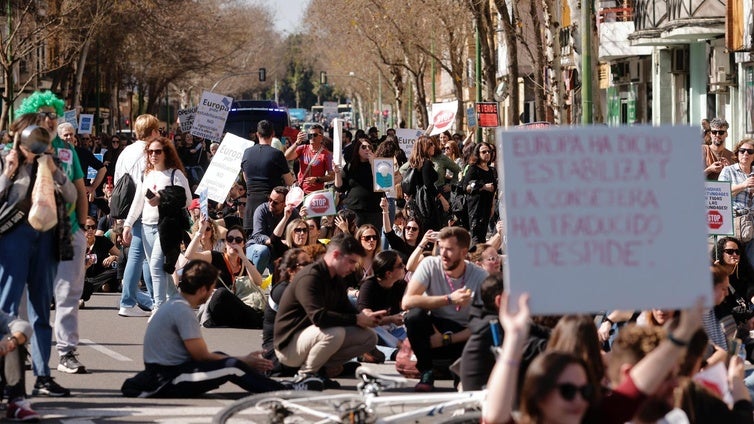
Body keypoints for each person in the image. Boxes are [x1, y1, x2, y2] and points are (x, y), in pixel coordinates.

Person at [121, 260, 322, 397]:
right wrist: (246, 360)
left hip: (168, 372)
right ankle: (283, 390)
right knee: (232, 366)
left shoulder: (175, 303)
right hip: (167, 378)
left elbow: (202, 356)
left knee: (222, 357)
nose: (212, 293)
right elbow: (201, 356)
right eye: (210, 288)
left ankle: (277, 385)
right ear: (201, 289)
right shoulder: (182, 311)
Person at [16, 91, 91, 393]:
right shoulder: (17, 148)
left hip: (65, 229)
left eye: (54, 114)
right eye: (44, 113)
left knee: (68, 294)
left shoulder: (66, 151)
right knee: (22, 296)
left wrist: (84, 227)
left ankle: (65, 352)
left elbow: (78, 190)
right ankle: (19, 346)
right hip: (24, 232)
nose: (50, 118)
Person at [0, 114, 77, 398]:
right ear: (19, 135)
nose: (36, 142)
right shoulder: (4, 158)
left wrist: (54, 170)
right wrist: (9, 172)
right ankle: (7, 377)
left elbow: (70, 195)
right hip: (12, 238)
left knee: (41, 310)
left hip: (46, 238)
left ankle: (43, 376)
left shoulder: (48, 161)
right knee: (6, 311)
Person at [274, 233, 384, 388]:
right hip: (288, 347)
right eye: (351, 261)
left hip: (312, 338)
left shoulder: (336, 277)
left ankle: (322, 370)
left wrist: (367, 317)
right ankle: (305, 376)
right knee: (335, 332)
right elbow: (318, 317)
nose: (353, 268)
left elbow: (346, 309)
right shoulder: (310, 276)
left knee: (369, 337)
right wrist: (356, 319)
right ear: (336, 255)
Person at [401, 226, 487, 392]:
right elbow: (406, 302)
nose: (443, 254)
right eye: (441, 248)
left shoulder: (479, 276)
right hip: (434, 329)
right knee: (413, 316)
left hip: (463, 334)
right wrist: (449, 299)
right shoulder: (430, 264)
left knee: (487, 329)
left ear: (463, 253)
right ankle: (426, 371)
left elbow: (484, 323)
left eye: (449, 250)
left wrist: (447, 339)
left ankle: (462, 379)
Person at [123, 136, 192, 311]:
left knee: (155, 265)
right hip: (146, 226)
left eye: (157, 151)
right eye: (150, 151)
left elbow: (187, 200)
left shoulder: (175, 174)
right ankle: (178, 302)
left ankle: (158, 307)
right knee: (162, 269)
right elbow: (138, 201)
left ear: (166, 153)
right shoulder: (147, 174)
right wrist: (128, 224)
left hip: (166, 228)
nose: (153, 155)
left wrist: (163, 198)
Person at [114, 114, 160, 318]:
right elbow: (150, 183)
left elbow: (117, 180)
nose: (159, 134)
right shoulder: (149, 152)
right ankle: (130, 301)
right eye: (157, 130)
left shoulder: (126, 151)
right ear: (152, 132)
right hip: (145, 208)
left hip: (129, 208)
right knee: (145, 256)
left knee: (144, 256)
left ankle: (146, 300)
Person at [184, 222, 265, 329]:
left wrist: (243, 258)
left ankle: (253, 322)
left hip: (237, 308)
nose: (233, 243)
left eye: (238, 240)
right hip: (218, 304)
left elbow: (259, 282)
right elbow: (189, 255)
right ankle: (256, 322)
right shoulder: (215, 256)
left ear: (243, 244)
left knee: (254, 311)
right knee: (221, 293)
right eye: (230, 239)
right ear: (226, 243)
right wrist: (200, 232)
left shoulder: (246, 263)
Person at [262, 248, 312, 376]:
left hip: (294, 343)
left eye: (311, 263)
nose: (311, 268)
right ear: (291, 271)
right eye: (305, 265)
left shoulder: (300, 287)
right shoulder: (283, 291)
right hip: (277, 352)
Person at [241, 120, 295, 231]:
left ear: (257, 134)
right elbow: (289, 181)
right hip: (271, 209)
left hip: (251, 208)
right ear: (273, 134)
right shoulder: (277, 154)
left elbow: (246, 179)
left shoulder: (247, 152)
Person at [356, 251, 407, 362]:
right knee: (372, 328)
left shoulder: (400, 284)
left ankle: (393, 351)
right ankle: (396, 350)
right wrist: (391, 319)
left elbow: (407, 306)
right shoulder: (369, 286)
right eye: (400, 265)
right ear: (388, 273)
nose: (404, 267)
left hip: (394, 329)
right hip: (375, 331)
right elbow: (366, 318)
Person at [245, 186, 299, 273]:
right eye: (269, 199)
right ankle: (253, 283)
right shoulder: (262, 210)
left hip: (279, 250)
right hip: (257, 247)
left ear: (285, 204)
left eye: (275, 202)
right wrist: (274, 240)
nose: (271, 203)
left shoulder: (293, 213)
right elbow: (257, 236)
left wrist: (304, 218)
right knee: (263, 251)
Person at [334, 137, 382, 230]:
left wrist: (373, 163)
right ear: (357, 150)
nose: (367, 149)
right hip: (355, 209)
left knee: (372, 237)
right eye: (363, 147)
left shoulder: (378, 164)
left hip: (374, 209)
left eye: (369, 147)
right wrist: (337, 173)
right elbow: (340, 187)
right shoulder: (350, 166)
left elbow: (381, 183)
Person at [81, 215, 121, 308]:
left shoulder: (102, 240)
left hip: (102, 275)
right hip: (83, 276)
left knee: (116, 270)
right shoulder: (77, 243)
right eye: (87, 227)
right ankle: (97, 286)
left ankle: (99, 286)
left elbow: (121, 257)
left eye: (93, 227)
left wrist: (113, 257)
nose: (90, 230)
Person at [462, 142, 497, 244]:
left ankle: (479, 257)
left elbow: (493, 190)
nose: (487, 154)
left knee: (482, 236)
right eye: (483, 152)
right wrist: (483, 187)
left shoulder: (491, 170)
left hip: (487, 207)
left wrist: (492, 206)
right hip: (476, 208)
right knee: (476, 237)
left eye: (489, 152)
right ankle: (475, 258)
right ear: (478, 153)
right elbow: (465, 187)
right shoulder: (473, 169)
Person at [285, 124, 334, 194]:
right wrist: (296, 143)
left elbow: (332, 176)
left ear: (321, 137)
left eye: (315, 135)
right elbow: (287, 156)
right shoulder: (302, 148)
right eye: (310, 135)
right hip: (300, 191)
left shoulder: (327, 155)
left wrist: (317, 179)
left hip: (316, 193)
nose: (312, 137)